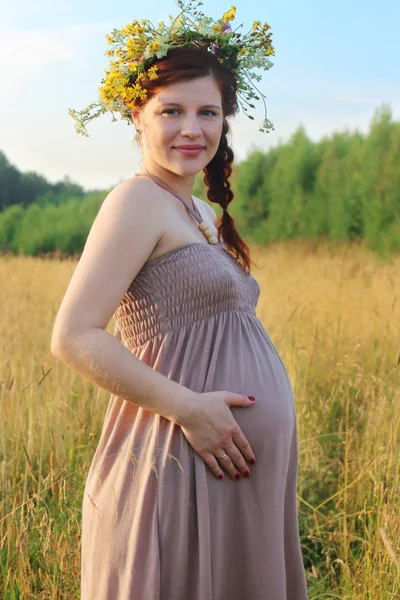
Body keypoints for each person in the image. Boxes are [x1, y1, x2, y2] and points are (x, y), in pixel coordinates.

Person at [52, 3, 309, 598]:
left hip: (225, 476)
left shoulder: (198, 212)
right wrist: (190, 409)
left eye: (208, 112)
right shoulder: (136, 202)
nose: (192, 129)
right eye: (171, 111)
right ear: (136, 117)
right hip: (176, 469)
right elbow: (73, 335)